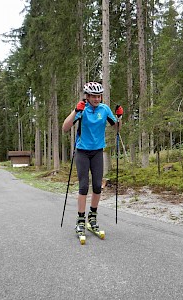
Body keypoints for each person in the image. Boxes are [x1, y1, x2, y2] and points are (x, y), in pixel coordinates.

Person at [62, 82, 123, 236]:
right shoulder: (82, 109)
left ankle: (93, 217)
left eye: (99, 96)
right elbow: (65, 128)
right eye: (94, 96)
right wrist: (75, 110)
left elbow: (116, 128)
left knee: (97, 186)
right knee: (83, 186)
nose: (97, 99)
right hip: (82, 151)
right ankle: (81, 220)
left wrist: (119, 118)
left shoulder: (104, 109)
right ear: (87, 97)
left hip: (97, 152)